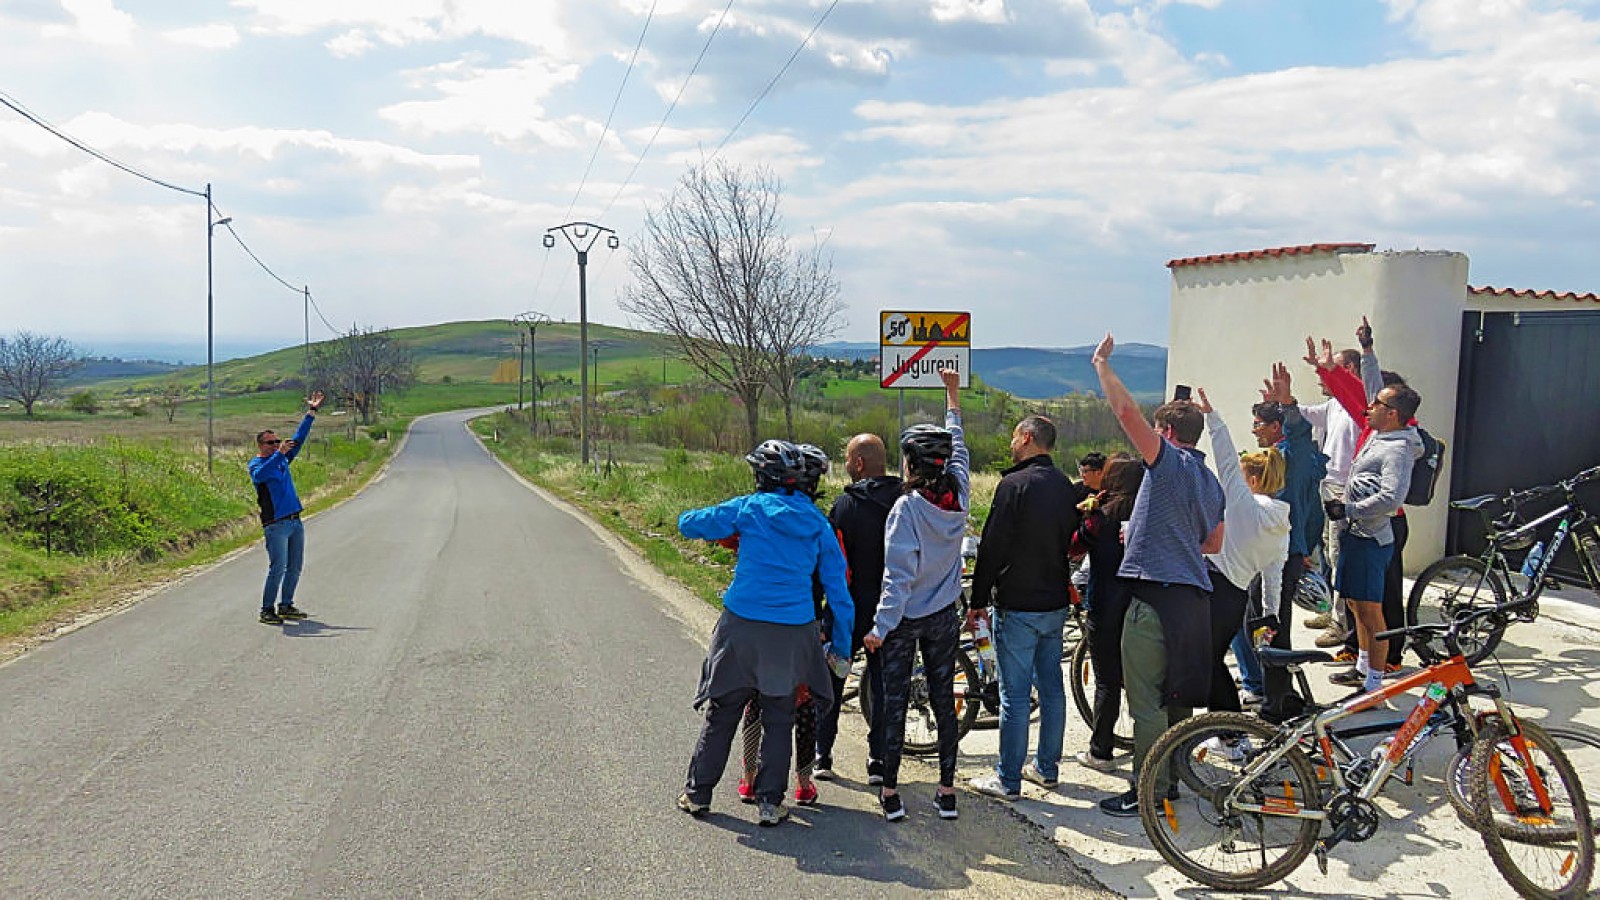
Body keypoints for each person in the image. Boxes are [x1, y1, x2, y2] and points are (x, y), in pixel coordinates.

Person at [676, 440, 854, 827]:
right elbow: (840, 594)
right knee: (779, 715)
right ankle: (771, 804)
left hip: (742, 625)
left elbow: (688, 523)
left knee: (722, 712)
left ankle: (697, 794)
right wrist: (841, 648)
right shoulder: (818, 524)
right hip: (793, 631)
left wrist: (727, 522)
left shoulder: (749, 508)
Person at [1091, 334, 1225, 817]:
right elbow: (1213, 544)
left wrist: (1102, 364)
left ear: (1166, 432)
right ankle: (1171, 782)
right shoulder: (1211, 481)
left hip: (1154, 599)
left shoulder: (1168, 465)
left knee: (1145, 702)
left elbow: (1126, 415)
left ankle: (1147, 790)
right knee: (1177, 699)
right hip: (1194, 601)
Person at [863, 366, 967, 822]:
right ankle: (946, 792)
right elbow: (958, 444)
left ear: (911, 464)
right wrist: (952, 395)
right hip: (945, 614)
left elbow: (898, 578)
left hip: (906, 619)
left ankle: (890, 791)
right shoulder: (959, 493)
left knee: (895, 701)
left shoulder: (906, 508)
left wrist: (879, 628)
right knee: (943, 700)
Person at [967, 414, 1081, 800]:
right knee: (1051, 687)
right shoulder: (1066, 486)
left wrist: (977, 600)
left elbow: (992, 547)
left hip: (1018, 602)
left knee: (1014, 696)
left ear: (1029, 438)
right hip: (1054, 601)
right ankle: (1047, 768)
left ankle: (1008, 778)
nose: (1012, 444)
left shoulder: (1013, 485)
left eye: (1016, 437)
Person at [1309, 321, 1423, 694]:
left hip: (1374, 530)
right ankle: (1362, 664)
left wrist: (1349, 511)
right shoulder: (1382, 428)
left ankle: (1379, 674)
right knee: (1358, 604)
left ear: (1393, 413)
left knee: (1376, 609)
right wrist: (1368, 350)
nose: (1367, 406)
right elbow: (1369, 388)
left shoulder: (1397, 446)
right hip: (1358, 529)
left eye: (1377, 404)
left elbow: (1391, 497)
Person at [735, 443, 834, 809]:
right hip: (805, 625)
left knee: (756, 701)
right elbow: (841, 580)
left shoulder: (762, 514)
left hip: (759, 621)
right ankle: (804, 782)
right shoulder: (821, 525)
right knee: (803, 706)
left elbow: (734, 542)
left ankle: (748, 779)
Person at [1195, 389, 1291, 721]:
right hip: (1237, 598)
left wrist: (1212, 416)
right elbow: (1273, 576)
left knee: (1206, 661)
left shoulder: (1243, 503)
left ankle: (1229, 731)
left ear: (1252, 478)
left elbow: (1223, 457)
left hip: (1212, 586)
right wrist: (1271, 616)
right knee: (1212, 659)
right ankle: (1226, 727)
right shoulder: (1281, 526)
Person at [1236, 363, 1327, 714]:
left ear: (1276, 427)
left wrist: (1289, 403)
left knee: (1270, 627)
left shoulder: (1294, 457)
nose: (1254, 430)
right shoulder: (1278, 456)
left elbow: (1301, 438)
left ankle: (1279, 700)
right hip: (1271, 550)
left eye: (1259, 424)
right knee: (1259, 624)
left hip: (1281, 554)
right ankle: (1272, 691)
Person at [815, 433, 903, 785]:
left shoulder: (845, 506)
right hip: (890, 608)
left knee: (834, 678)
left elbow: (830, 562)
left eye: (849, 459)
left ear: (860, 464)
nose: (847, 465)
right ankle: (878, 760)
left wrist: (821, 609)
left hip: (847, 608)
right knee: (883, 684)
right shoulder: (905, 501)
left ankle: (823, 753)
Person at [1069, 455, 1142, 772]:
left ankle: (1101, 751)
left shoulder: (1101, 515)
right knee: (1141, 677)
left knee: (1106, 681)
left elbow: (1074, 547)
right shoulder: (1145, 513)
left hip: (1104, 602)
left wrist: (1086, 511)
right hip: (1139, 604)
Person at [1300, 349, 1364, 649]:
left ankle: (1341, 624)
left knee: (1339, 557)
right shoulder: (1335, 405)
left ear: (1349, 369)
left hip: (1345, 490)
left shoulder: (1357, 406)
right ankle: (1330, 610)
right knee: (1327, 552)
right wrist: (1281, 403)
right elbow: (1309, 414)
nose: (1322, 377)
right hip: (1330, 486)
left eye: (1331, 370)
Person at [249, 391, 324, 625]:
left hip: (294, 521)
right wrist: (278, 454)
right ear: (261, 445)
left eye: (276, 441)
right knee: (277, 567)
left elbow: (298, 439)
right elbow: (261, 475)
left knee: (295, 567)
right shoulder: (258, 464)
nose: (276, 444)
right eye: (271, 442)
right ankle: (266, 610)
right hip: (276, 524)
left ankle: (286, 605)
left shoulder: (282, 459)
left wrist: (311, 412)